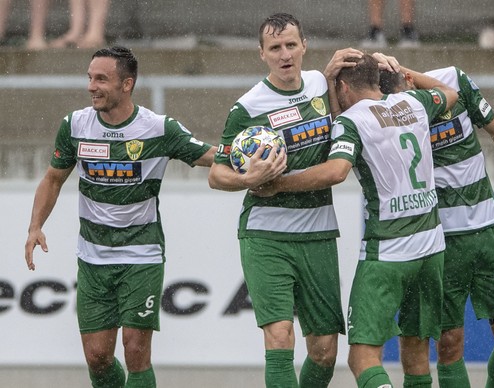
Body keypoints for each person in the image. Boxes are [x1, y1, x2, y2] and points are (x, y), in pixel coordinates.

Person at [252, 54, 459, 388]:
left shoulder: (352, 121)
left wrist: (277, 184)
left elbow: (336, 170)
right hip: (432, 246)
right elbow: (450, 92)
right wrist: (403, 70)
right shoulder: (413, 102)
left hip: (388, 251)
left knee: (362, 357)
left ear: (343, 88)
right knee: (417, 354)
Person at [24, 46, 216, 387]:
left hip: (141, 255)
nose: (91, 86)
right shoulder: (75, 126)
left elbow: (209, 156)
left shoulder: (158, 129)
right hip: (93, 257)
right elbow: (53, 178)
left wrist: (252, 159)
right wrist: (35, 226)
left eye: (101, 79)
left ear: (127, 84)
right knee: (98, 357)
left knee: (136, 349)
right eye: (89, 78)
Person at [207, 12, 367, 387]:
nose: (284, 54)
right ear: (261, 53)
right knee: (280, 337)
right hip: (266, 236)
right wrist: (248, 177)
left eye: (291, 45)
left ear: (304, 46)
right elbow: (216, 173)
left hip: (318, 233)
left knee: (325, 351)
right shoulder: (247, 108)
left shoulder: (318, 84)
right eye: (275, 47)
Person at [380, 65, 494, 387]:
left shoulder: (453, 80)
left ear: (408, 78)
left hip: (488, 232)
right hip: (440, 241)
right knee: (449, 344)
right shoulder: (383, 117)